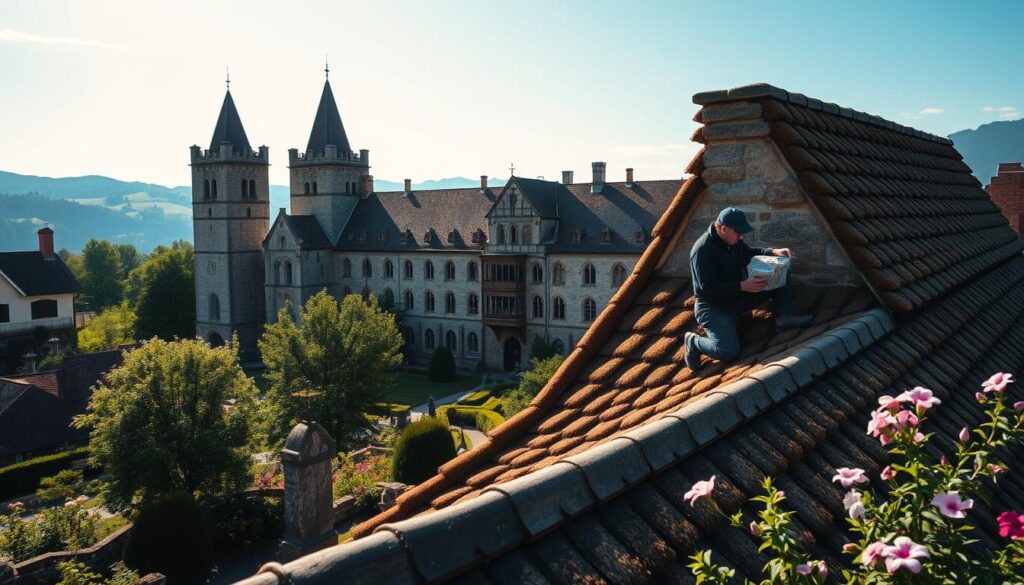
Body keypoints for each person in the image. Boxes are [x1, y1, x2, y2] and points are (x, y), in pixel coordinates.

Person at [684, 207, 813, 371]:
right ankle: (693, 342)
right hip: (714, 307)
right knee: (728, 352)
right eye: (738, 233)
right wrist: (742, 286)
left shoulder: (733, 240)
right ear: (723, 229)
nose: (741, 236)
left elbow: (749, 252)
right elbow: (708, 288)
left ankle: (784, 317)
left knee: (781, 272)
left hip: (739, 296)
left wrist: (774, 251)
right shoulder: (702, 250)